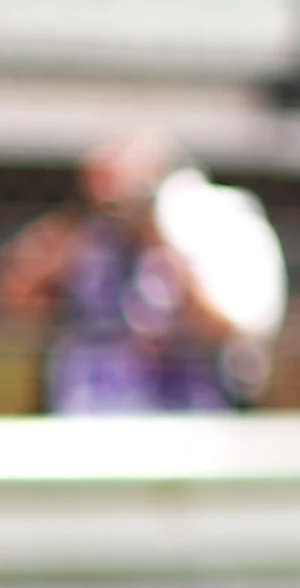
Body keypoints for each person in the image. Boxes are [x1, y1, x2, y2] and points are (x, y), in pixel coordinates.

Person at [1, 133, 283, 413]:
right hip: (91, 415)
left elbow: (227, 331)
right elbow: (18, 294)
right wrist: (66, 232)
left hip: (191, 415)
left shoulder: (210, 223)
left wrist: (160, 240)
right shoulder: (87, 237)